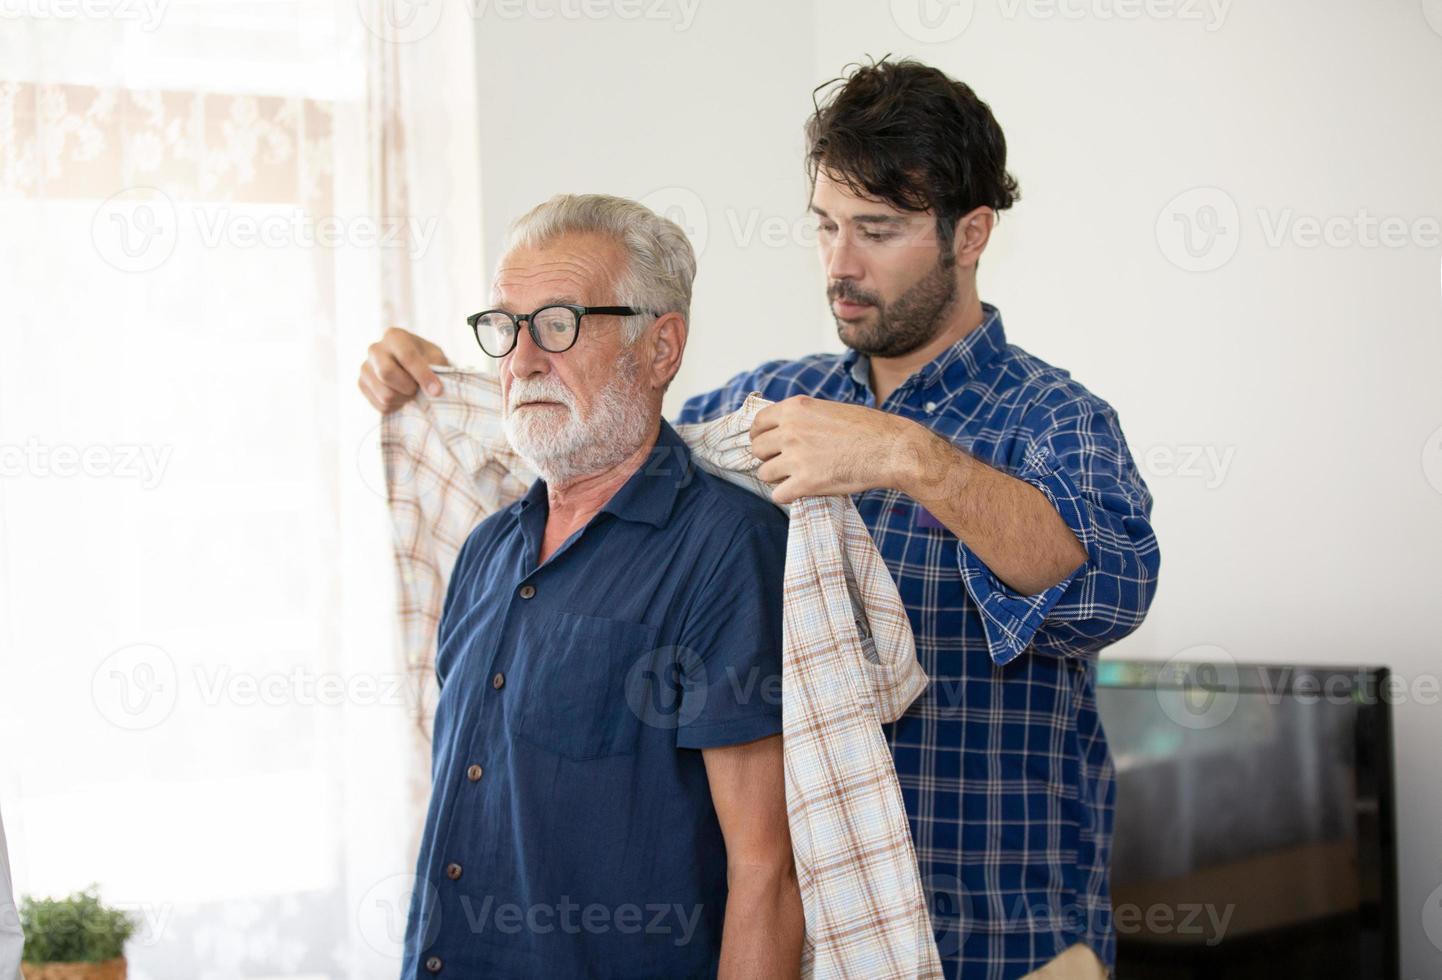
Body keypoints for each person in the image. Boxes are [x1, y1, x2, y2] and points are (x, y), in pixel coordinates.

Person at [363, 59, 1160, 980]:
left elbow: (1106, 585)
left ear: (970, 233)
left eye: (878, 230)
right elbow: (615, 442)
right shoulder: (773, 402)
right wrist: (438, 384)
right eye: (825, 225)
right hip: (831, 948)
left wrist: (907, 455)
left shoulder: (1055, 420)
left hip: (1002, 943)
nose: (840, 263)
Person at [395, 194, 804, 978]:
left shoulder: (728, 550)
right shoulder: (486, 549)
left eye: (557, 323)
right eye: (506, 327)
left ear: (660, 348)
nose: (520, 361)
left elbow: (767, 872)